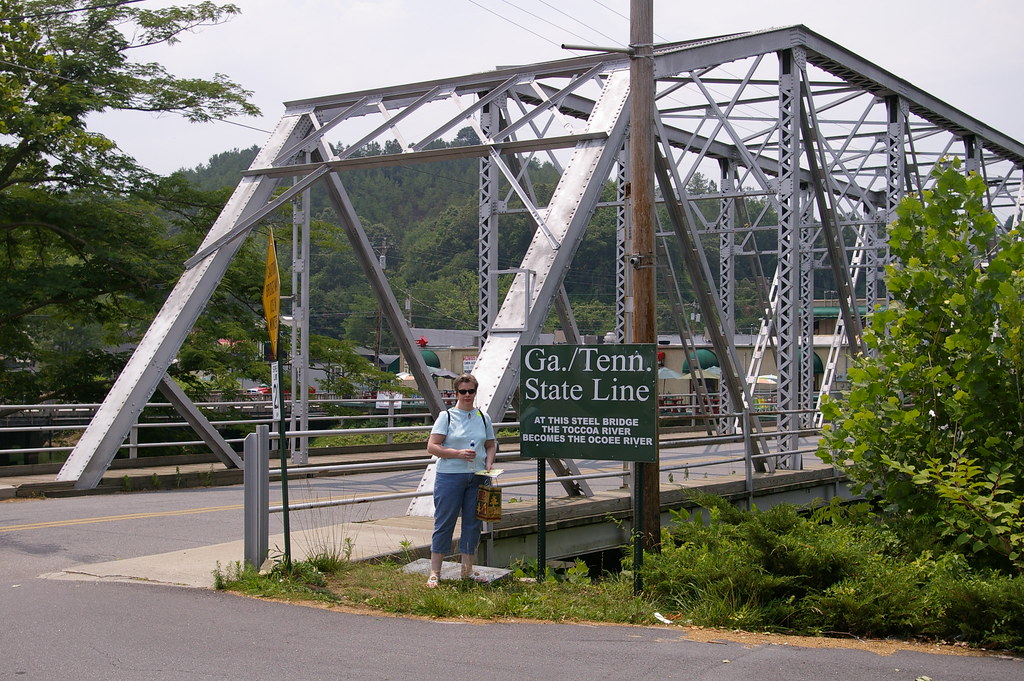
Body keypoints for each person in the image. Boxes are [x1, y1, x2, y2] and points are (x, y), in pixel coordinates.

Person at [425, 373, 496, 587]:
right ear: (456, 393)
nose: (467, 395)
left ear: (475, 392)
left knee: (473, 524)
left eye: (471, 391)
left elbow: (491, 444)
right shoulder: (446, 416)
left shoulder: (483, 417)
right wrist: (457, 453)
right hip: (450, 476)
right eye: (463, 391)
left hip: (477, 476)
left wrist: (489, 463)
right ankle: (435, 572)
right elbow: (432, 446)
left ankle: (467, 571)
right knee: (444, 522)